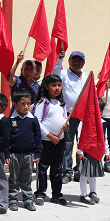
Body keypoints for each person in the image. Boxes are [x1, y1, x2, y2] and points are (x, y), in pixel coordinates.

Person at [52, 50, 89, 183]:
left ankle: (79, 171)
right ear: (69, 60)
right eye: (74, 59)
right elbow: (54, 76)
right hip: (68, 114)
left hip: (84, 115)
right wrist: (59, 60)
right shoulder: (63, 74)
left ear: (83, 62)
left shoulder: (86, 76)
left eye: (79, 60)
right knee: (67, 144)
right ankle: (67, 172)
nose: (76, 62)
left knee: (82, 144)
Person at [33, 74, 69, 206]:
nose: (57, 88)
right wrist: (49, 135)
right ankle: (40, 193)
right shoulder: (42, 103)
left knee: (57, 169)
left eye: (59, 85)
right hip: (45, 141)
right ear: (47, 87)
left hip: (59, 141)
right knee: (42, 168)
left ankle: (56, 194)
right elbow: (37, 122)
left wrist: (65, 126)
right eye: (54, 85)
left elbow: (64, 118)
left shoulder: (61, 103)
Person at [8, 89, 42, 212]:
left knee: (27, 179)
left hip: (29, 155)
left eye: (28, 103)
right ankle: (12, 200)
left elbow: (38, 137)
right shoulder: (11, 119)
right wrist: (7, 154)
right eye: (23, 103)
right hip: (14, 155)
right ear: (15, 104)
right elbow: (7, 138)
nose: (26, 106)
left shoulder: (33, 120)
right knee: (14, 178)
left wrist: (38, 153)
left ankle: (28, 200)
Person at [77, 98, 110, 205]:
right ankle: (83, 194)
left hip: (96, 153)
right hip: (86, 152)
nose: (98, 112)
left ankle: (93, 192)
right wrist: (80, 151)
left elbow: (104, 138)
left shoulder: (103, 123)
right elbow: (79, 137)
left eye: (100, 110)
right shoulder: (84, 121)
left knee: (93, 173)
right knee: (84, 174)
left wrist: (107, 152)